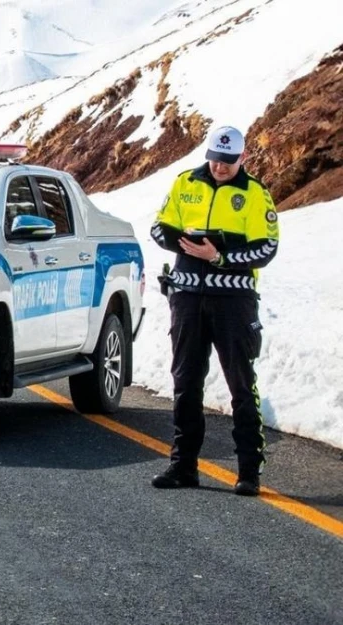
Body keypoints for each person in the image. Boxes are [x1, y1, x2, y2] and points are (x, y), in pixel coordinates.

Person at [149, 125, 280, 497]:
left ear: (243, 158)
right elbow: (159, 228)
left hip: (234, 303)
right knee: (185, 382)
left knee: (240, 383)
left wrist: (220, 256)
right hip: (188, 297)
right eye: (215, 159)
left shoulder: (255, 194)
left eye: (228, 161)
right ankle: (182, 466)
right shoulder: (185, 182)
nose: (220, 167)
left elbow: (266, 248)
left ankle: (249, 472)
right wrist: (184, 242)